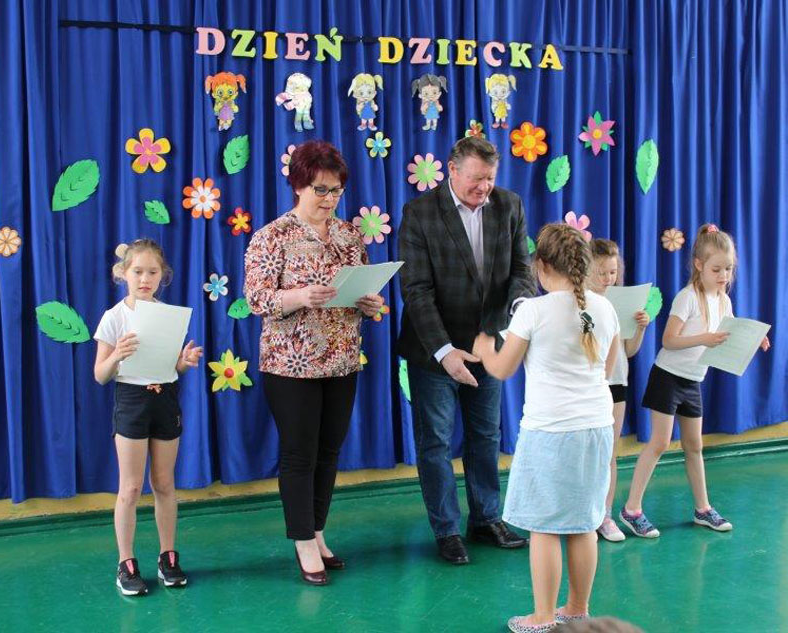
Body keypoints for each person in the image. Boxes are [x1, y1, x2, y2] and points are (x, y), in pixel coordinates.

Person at [244, 140, 384, 585]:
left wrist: (370, 303)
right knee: (299, 453)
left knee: (329, 452)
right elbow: (257, 299)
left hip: (342, 360)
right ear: (298, 186)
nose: (329, 198)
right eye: (320, 189)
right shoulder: (272, 236)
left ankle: (319, 532)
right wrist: (301, 296)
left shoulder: (349, 236)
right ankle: (303, 540)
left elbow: (360, 287)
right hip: (291, 365)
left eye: (336, 190)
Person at [474, 223, 620, 633]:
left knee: (544, 528)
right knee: (585, 523)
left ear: (541, 266)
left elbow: (503, 368)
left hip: (551, 432)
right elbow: (605, 370)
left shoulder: (532, 311)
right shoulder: (605, 308)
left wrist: (485, 350)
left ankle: (541, 618)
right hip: (596, 427)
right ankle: (577, 608)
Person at [398, 136, 536, 565]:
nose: (484, 188)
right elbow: (416, 291)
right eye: (476, 178)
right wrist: (445, 351)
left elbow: (522, 270)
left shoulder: (509, 205)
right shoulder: (419, 213)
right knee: (436, 442)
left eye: (490, 179)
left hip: (488, 344)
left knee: (486, 435)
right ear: (452, 170)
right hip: (434, 350)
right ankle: (446, 530)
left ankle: (486, 519)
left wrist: (512, 318)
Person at [619, 224, 770, 538]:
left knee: (694, 445)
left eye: (728, 269)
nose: (724, 275)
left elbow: (727, 337)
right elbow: (669, 340)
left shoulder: (724, 301)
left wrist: (754, 339)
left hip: (692, 381)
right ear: (699, 265)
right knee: (660, 443)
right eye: (717, 269)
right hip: (667, 377)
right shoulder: (686, 297)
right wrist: (704, 338)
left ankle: (703, 509)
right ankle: (631, 509)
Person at [94, 239, 203, 596]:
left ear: (162, 276)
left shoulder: (167, 316)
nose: (145, 279)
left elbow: (170, 367)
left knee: (164, 483)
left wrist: (183, 362)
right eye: (137, 271)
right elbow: (100, 374)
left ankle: (167, 557)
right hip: (131, 402)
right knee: (130, 487)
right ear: (123, 274)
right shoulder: (114, 317)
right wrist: (117, 355)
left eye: (152, 272)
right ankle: (126, 563)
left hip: (165, 400)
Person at [587, 239, 650, 542]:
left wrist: (640, 328)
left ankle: (605, 515)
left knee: (609, 453)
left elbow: (630, 350)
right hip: (588, 385)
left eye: (612, 272)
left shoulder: (618, 303)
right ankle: (583, 515)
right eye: (601, 273)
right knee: (586, 453)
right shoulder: (581, 303)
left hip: (616, 384)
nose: (607, 279)